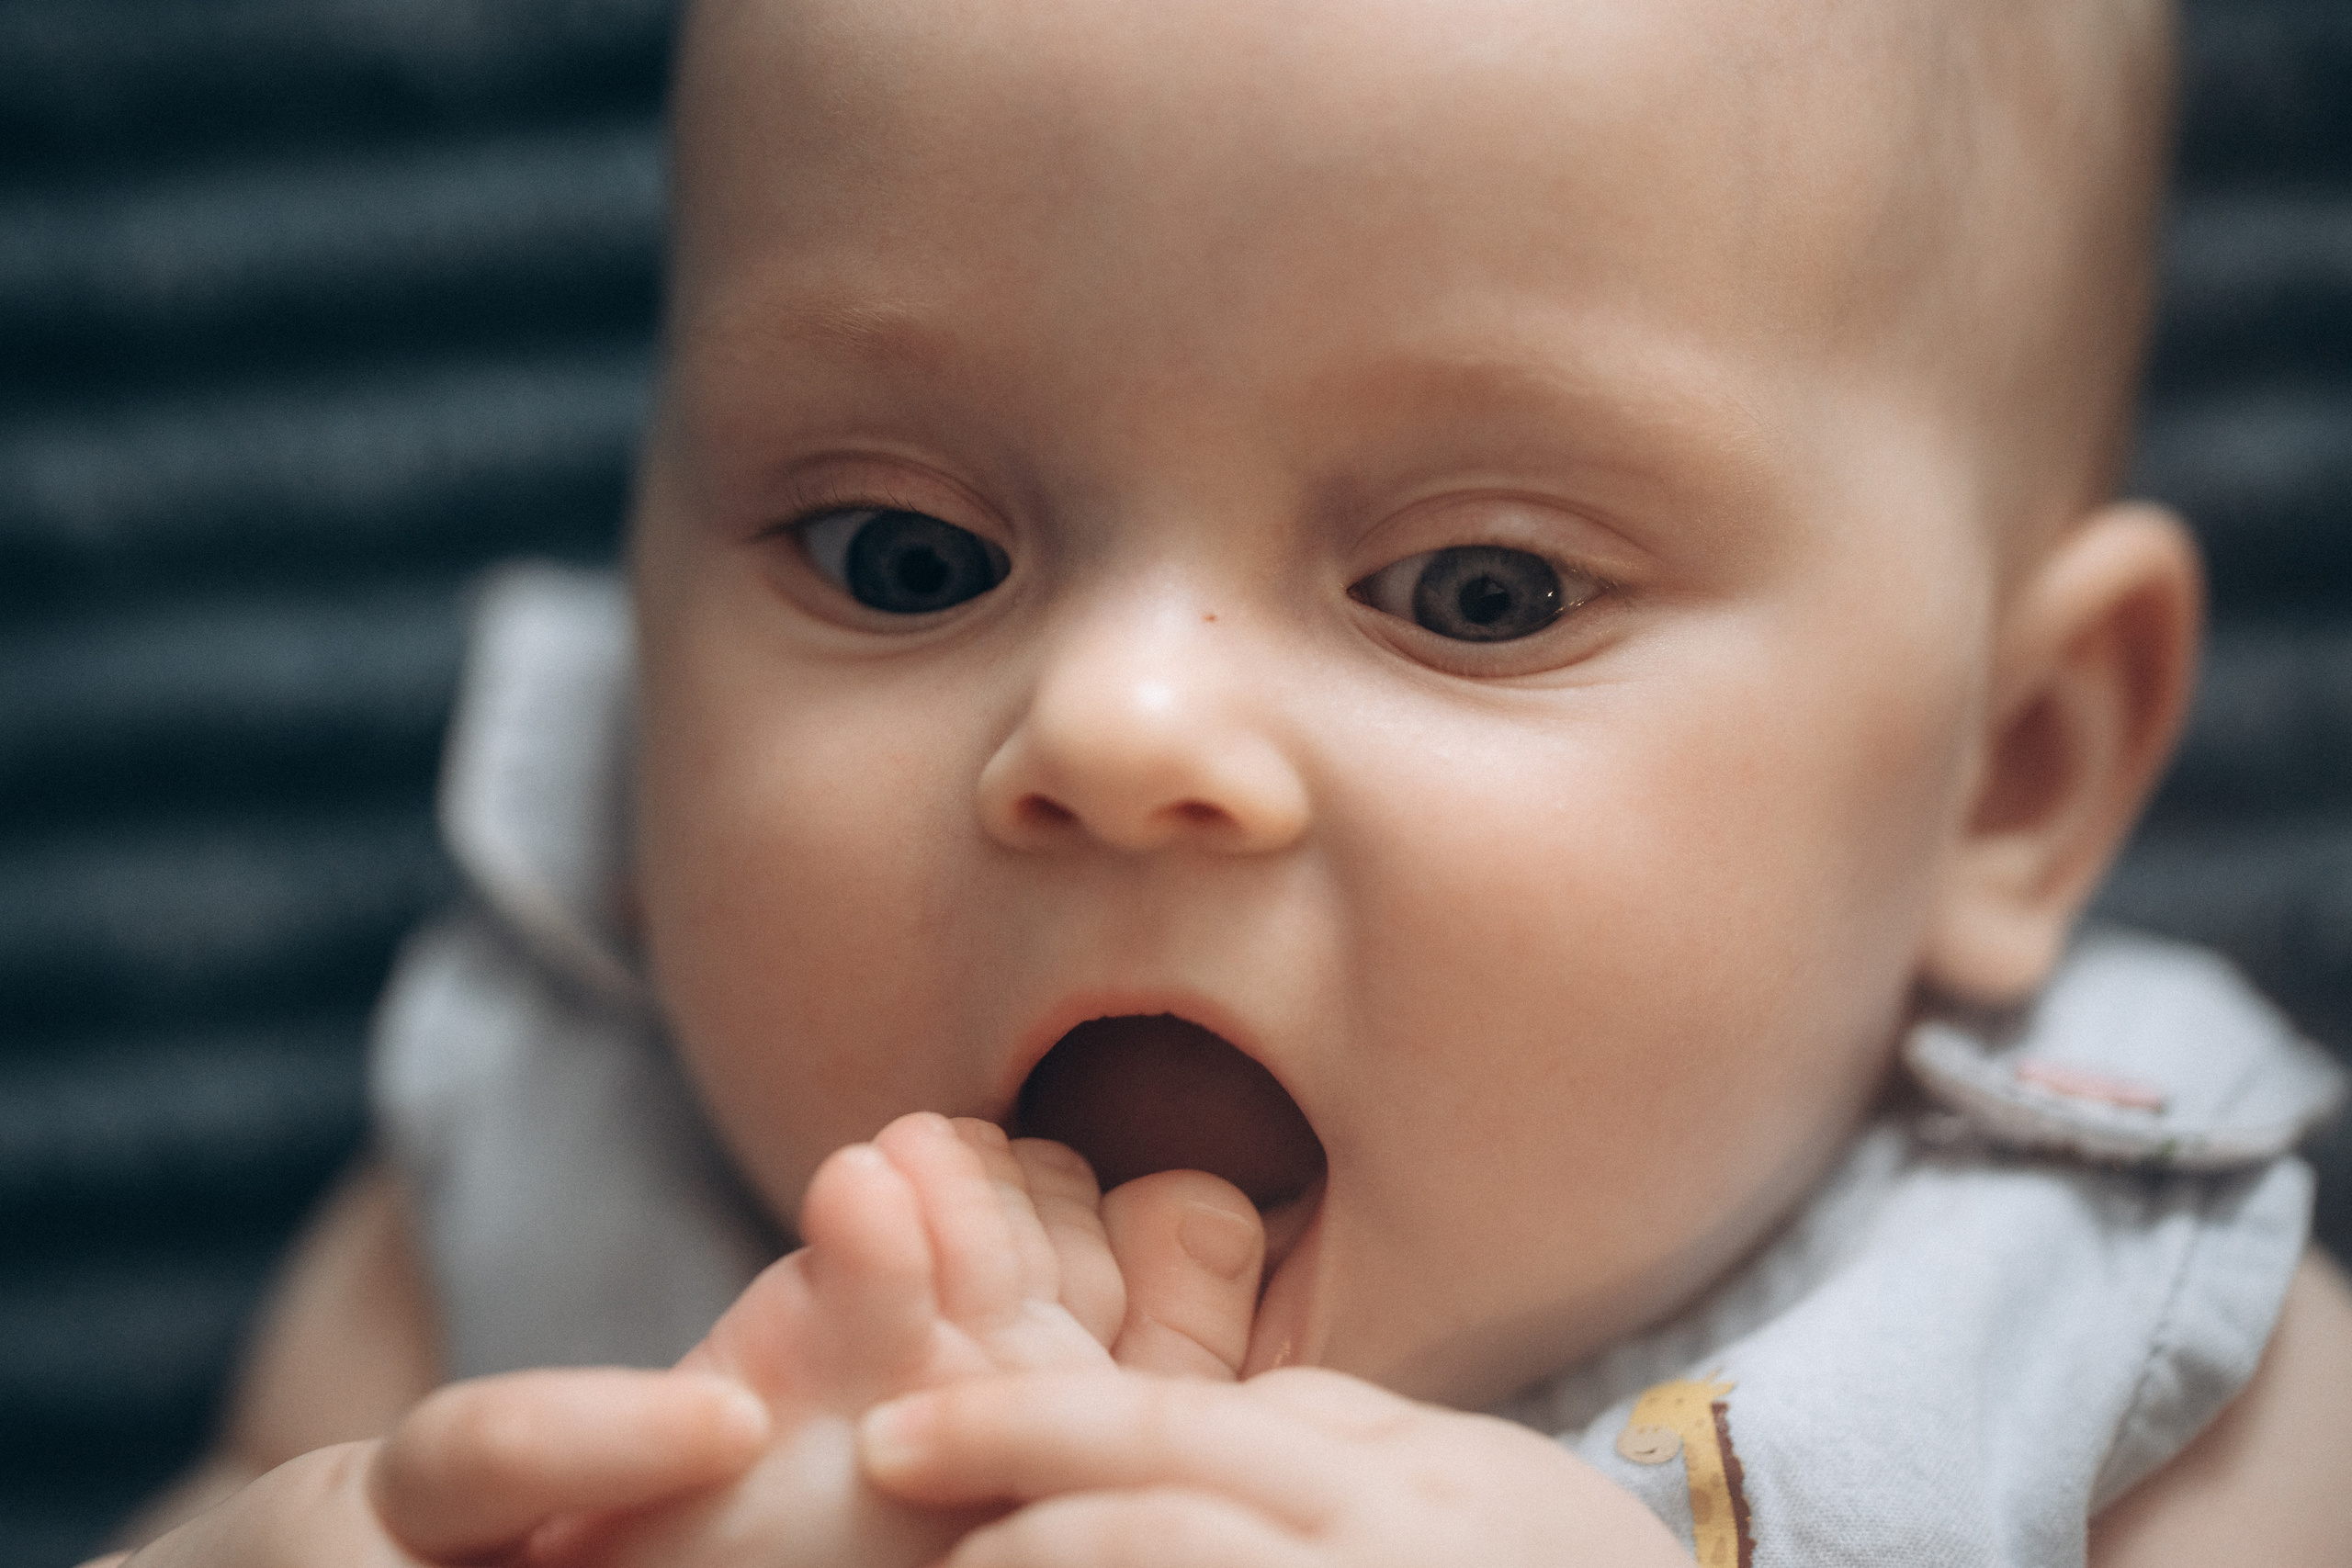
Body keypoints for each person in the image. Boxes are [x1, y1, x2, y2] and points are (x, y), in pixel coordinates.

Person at [94, 0, 2352, 1562]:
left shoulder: (2112, 1351)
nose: (1115, 727)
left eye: (1474, 589)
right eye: (907, 556)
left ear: (2010, 768)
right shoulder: (523, 1214)